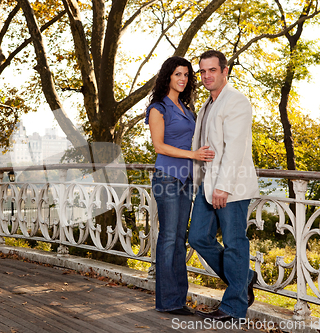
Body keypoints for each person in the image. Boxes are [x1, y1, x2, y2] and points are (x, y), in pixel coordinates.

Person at [188, 50, 259, 322]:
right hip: (207, 185)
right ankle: (245, 277)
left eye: (212, 70)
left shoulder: (236, 101)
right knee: (198, 238)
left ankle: (233, 308)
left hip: (230, 188)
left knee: (234, 244)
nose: (206, 76)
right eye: (203, 71)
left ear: (224, 71)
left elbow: (235, 148)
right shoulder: (207, 104)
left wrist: (223, 187)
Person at [146, 56, 215, 315]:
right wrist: (193, 156)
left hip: (186, 180)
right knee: (168, 238)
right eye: (178, 74)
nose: (183, 79)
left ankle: (177, 299)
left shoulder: (187, 108)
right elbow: (159, 146)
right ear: (168, 76)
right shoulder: (158, 108)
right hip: (167, 178)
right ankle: (168, 302)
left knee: (179, 238)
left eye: (186, 75)